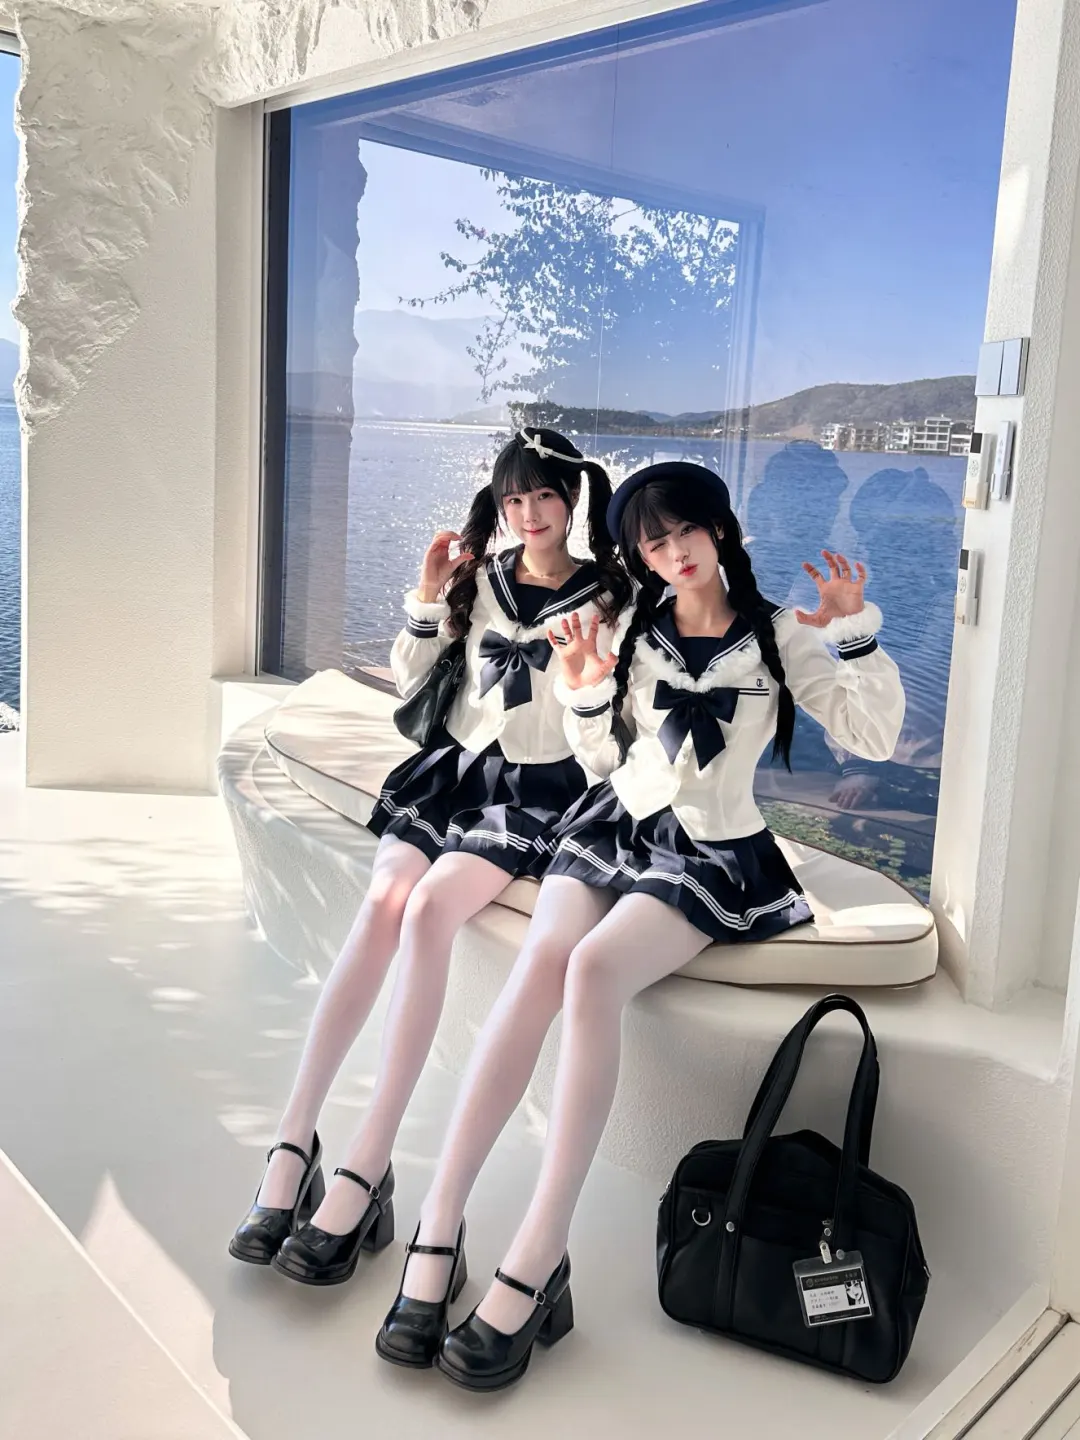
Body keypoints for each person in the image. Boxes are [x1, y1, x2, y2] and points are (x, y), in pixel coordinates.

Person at [376, 460, 904, 1387]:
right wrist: (584, 689)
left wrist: (855, 634)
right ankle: (439, 1226)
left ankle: (538, 1254)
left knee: (591, 972)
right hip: (613, 823)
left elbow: (875, 739)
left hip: (712, 851)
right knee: (541, 962)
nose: (672, 553)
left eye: (684, 531)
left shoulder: (779, 636)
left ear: (719, 528)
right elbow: (600, 756)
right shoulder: (630, 629)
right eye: (652, 544)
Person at [229, 427, 630, 1289]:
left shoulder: (610, 593)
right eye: (514, 498)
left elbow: (611, 728)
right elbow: (414, 681)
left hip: (536, 791)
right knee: (383, 903)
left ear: (572, 496)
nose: (529, 514)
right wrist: (424, 594)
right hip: (452, 771)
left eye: (544, 495)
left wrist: (588, 680)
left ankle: (366, 1163)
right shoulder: (480, 579)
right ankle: (294, 1140)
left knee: (428, 909)